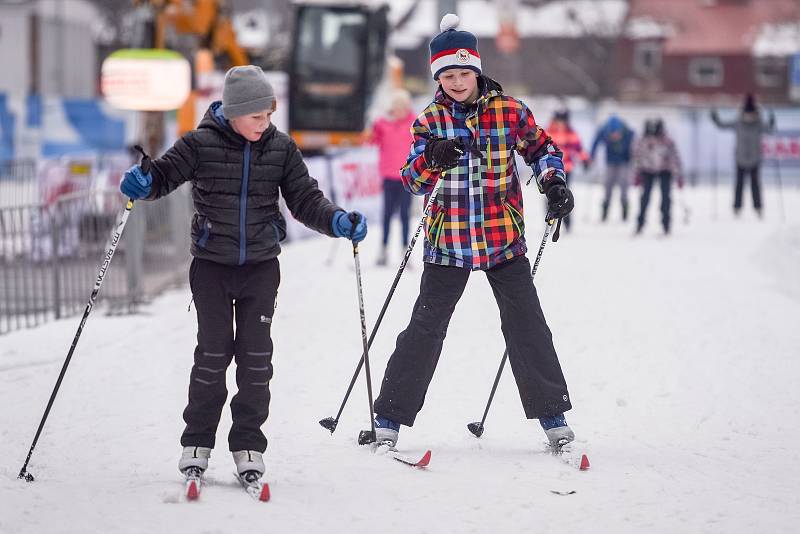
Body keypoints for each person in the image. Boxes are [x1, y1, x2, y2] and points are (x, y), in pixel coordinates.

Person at [119, 65, 368, 482]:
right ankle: (196, 440)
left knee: (256, 361)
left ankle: (248, 444)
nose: (265, 123)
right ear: (233, 112)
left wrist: (337, 221)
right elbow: (162, 175)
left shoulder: (281, 149)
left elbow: (306, 199)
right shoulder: (199, 144)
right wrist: (143, 182)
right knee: (212, 356)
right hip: (212, 266)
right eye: (257, 116)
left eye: (269, 116)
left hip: (260, 266)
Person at [370, 14, 576, 451]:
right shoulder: (428, 121)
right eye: (447, 74)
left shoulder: (510, 110)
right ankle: (388, 418)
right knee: (424, 328)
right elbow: (412, 181)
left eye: (464, 72)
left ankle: (553, 417)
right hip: (448, 243)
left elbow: (542, 148)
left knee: (527, 325)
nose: (457, 81)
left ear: (477, 71)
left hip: (504, 238)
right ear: (436, 77)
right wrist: (433, 158)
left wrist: (553, 181)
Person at [364, 88, 416, 265]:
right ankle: (383, 250)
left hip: (406, 178)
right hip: (388, 176)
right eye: (396, 106)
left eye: (402, 106)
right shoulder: (382, 123)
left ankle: (404, 251)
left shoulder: (414, 123)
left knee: (404, 215)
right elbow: (372, 141)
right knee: (386, 214)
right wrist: (371, 129)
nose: (399, 109)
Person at [711, 93, 775, 217]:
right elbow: (722, 125)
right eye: (747, 113)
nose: (749, 116)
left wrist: (772, 122)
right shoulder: (738, 122)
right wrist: (716, 119)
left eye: (751, 113)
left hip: (755, 158)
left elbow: (769, 129)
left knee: (755, 184)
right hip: (740, 158)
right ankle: (737, 207)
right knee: (739, 184)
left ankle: (758, 207)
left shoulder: (759, 123)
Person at [632, 119, 683, 235]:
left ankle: (666, 225)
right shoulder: (642, 141)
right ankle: (640, 224)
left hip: (665, 170)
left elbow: (675, 158)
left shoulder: (668, 141)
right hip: (647, 170)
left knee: (666, 198)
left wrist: (679, 176)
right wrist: (637, 174)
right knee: (645, 198)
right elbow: (637, 157)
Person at [545, 109, 588, 232]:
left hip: (566, 169)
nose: (561, 124)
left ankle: (567, 223)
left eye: (563, 121)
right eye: (559, 121)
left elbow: (579, 147)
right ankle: (550, 221)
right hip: (551, 170)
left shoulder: (571, 132)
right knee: (551, 195)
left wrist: (584, 159)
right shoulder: (549, 132)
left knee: (564, 196)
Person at [590, 115, 634, 222]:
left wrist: (633, 159)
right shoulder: (604, 131)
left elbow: (635, 147)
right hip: (610, 161)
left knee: (624, 185)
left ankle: (625, 212)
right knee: (607, 185)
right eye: (612, 135)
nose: (615, 136)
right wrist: (592, 156)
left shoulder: (628, 133)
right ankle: (605, 212)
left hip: (624, 162)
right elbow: (596, 142)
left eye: (617, 134)